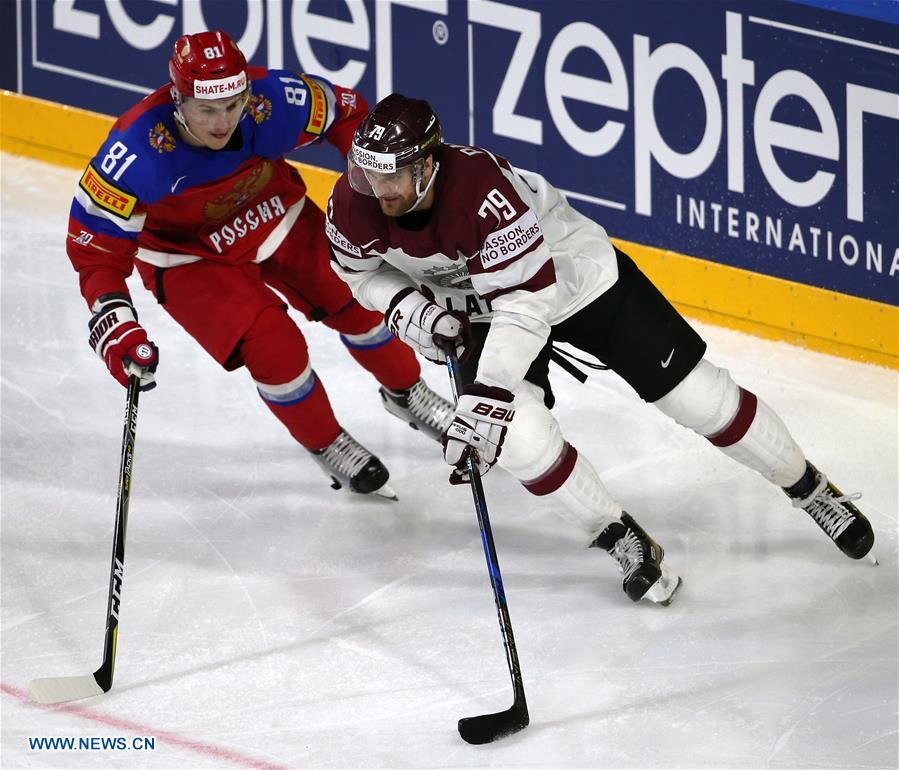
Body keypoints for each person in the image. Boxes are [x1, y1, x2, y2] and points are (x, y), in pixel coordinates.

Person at [325, 93, 876, 604]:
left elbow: (526, 304)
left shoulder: (480, 192)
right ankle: (617, 534)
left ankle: (810, 488)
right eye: (368, 174)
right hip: (482, 310)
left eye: (391, 174)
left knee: (700, 399)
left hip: (571, 281)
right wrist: (406, 309)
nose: (378, 189)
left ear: (427, 166)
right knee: (517, 440)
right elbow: (357, 273)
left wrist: (486, 394)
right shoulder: (356, 201)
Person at [66, 33, 455, 498]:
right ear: (177, 99)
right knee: (274, 346)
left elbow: (351, 114)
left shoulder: (272, 99)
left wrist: (376, 195)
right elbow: (96, 253)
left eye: (232, 105)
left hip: (273, 209)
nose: (222, 122)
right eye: (206, 110)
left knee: (358, 298)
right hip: (188, 255)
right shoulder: (134, 153)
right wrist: (118, 330)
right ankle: (326, 442)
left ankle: (407, 392)